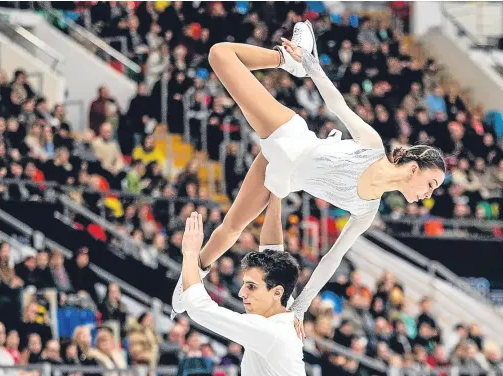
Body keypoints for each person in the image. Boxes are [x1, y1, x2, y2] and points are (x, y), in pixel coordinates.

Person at [172, 21, 447, 336]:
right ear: (414, 168)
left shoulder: (367, 211)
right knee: (220, 54)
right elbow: (338, 106)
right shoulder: (373, 146)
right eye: (430, 184)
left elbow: (331, 260)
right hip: (289, 136)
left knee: (232, 227)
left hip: (282, 174)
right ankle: (283, 59)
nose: (428, 195)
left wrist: (299, 307)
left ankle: (190, 276)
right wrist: (313, 68)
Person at [180, 211, 304, 376]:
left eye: (251, 286)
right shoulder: (283, 306)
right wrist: (275, 193)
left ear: (276, 292)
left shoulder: (268, 331)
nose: (241, 293)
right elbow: (272, 248)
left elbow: (198, 308)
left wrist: (189, 253)